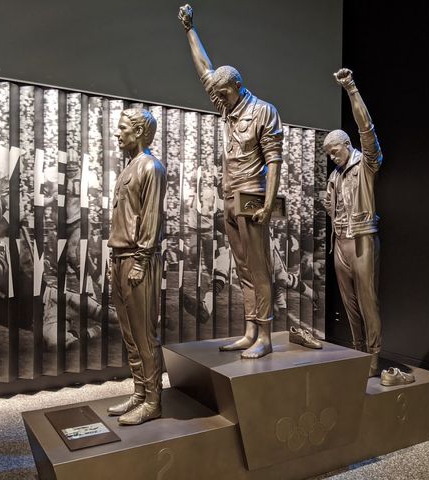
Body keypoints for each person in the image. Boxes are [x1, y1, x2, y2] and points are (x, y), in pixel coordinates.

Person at [178, 4, 283, 359]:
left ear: (238, 86)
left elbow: (274, 160)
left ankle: (265, 335)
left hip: (253, 194)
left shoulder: (263, 111)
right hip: (229, 194)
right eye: (218, 94)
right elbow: (204, 70)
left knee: (259, 267)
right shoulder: (228, 107)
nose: (218, 98)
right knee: (241, 267)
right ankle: (250, 329)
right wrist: (190, 29)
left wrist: (268, 204)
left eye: (223, 93)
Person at [107, 108, 166, 425]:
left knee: (145, 336)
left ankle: (154, 401)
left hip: (137, 259)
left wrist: (141, 261)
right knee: (130, 335)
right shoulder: (129, 167)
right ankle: (140, 392)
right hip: (120, 257)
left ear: (139, 132)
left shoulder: (151, 167)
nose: (117, 133)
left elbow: (151, 219)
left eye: (122, 128)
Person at [324, 68, 383, 377]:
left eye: (335, 151)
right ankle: (358, 351)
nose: (333, 157)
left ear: (347, 144)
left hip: (362, 239)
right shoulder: (335, 176)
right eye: (329, 154)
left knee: (367, 300)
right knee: (349, 303)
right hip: (340, 242)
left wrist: (351, 89)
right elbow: (334, 207)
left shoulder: (366, 165)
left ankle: (373, 356)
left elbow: (366, 129)